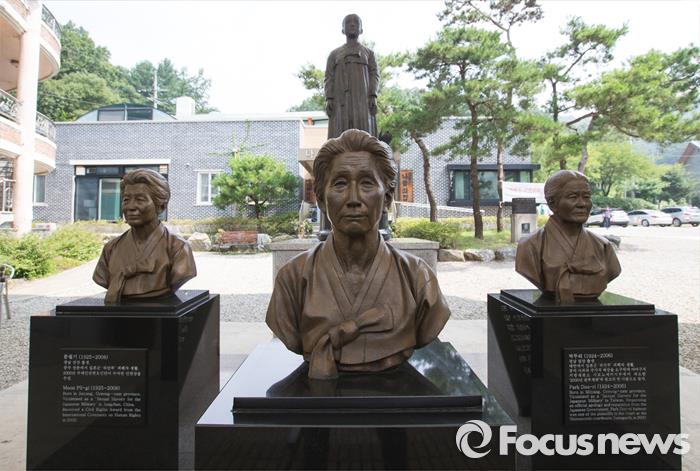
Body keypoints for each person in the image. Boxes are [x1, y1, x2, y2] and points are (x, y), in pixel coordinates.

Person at [266, 130, 450, 380]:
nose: (353, 199)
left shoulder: (417, 277)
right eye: (340, 184)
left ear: (387, 199)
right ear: (321, 200)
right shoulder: (292, 279)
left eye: (367, 183)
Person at [515, 170, 621, 303]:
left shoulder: (603, 246)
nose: (582, 204)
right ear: (552, 203)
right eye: (573, 197)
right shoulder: (530, 245)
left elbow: (613, 271)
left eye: (586, 197)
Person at [93, 169, 196, 304]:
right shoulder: (111, 248)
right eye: (126, 200)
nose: (130, 207)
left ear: (161, 206)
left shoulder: (178, 248)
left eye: (140, 200)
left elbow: (181, 275)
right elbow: (101, 278)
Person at [325, 14, 379, 139]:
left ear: (361, 29)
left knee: (364, 131)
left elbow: (374, 74)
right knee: (340, 131)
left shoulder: (369, 53)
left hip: (363, 98)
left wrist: (373, 95)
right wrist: (329, 98)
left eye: (356, 22)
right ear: (343, 30)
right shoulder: (334, 54)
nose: (352, 24)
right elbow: (329, 77)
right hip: (341, 99)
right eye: (348, 22)